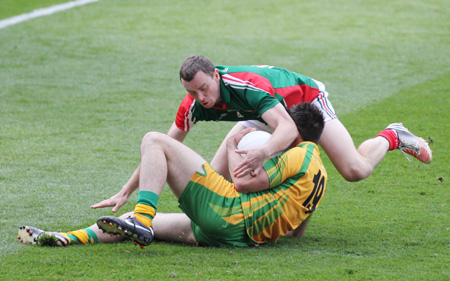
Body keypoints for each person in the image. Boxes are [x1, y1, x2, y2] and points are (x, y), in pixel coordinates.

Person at [18, 103, 327, 248]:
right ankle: (64, 238)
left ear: (295, 134)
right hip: (235, 238)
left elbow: (242, 182)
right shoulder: (320, 173)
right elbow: (296, 231)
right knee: (129, 224)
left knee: (155, 140)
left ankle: (142, 214)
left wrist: (234, 145)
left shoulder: (299, 153)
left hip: (227, 213)